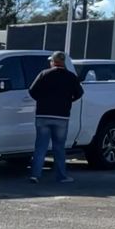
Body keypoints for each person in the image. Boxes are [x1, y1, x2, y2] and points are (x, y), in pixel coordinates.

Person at [27, 52, 84, 183]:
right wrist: (68, 101)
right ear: (63, 62)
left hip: (43, 114)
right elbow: (79, 93)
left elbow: (32, 90)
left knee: (41, 146)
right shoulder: (71, 77)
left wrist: (41, 100)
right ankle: (61, 176)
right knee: (59, 147)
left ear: (53, 62)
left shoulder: (44, 74)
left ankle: (35, 175)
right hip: (62, 116)